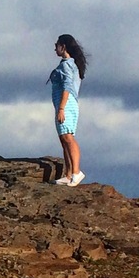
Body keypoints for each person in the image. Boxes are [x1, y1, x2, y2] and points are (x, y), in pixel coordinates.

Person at [49, 34, 87, 186]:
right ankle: (69, 173)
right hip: (65, 104)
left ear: (63, 46)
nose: (55, 48)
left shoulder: (67, 64)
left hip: (67, 104)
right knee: (64, 138)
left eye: (57, 44)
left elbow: (67, 87)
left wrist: (62, 108)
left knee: (67, 137)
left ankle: (76, 172)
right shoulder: (69, 64)